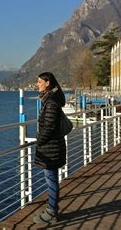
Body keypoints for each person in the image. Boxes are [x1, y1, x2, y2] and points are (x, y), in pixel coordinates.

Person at [33, 72, 67, 224]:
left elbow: (50, 126)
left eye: (40, 81)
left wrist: (39, 140)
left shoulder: (51, 102)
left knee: (51, 180)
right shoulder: (51, 100)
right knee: (51, 179)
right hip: (53, 147)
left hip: (51, 148)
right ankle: (52, 210)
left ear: (48, 83)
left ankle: (52, 212)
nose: (37, 84)